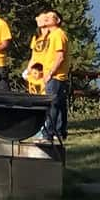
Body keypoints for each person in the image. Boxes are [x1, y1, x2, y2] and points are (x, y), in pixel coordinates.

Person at [31, 10, 70, 144]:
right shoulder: (51, 35)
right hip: (53, 74)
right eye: (45, 17)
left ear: (57, 20)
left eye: (50, 17)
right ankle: (58, 132)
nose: (46, 19)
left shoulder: (58, 35)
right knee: (57, 104)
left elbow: (60, 57)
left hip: (55, 75)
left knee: (52, 104)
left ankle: (49, 133)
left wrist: (50, 73)